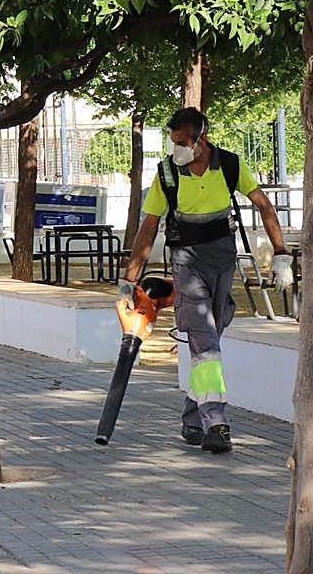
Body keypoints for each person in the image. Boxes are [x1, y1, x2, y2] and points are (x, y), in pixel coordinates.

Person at [120, 107, 293, 454]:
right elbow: (149, 225)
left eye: (183, 142)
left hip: (222, 261)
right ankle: (216, 421)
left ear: (202, 139)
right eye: (173, 142)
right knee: (206, 342)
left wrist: (281, 254)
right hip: (186, 264)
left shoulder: (229, 165)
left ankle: (192, 418)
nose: (177, 149)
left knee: (208, 343)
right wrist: (130, 280)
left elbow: (264, 205)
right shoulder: (167, 173)